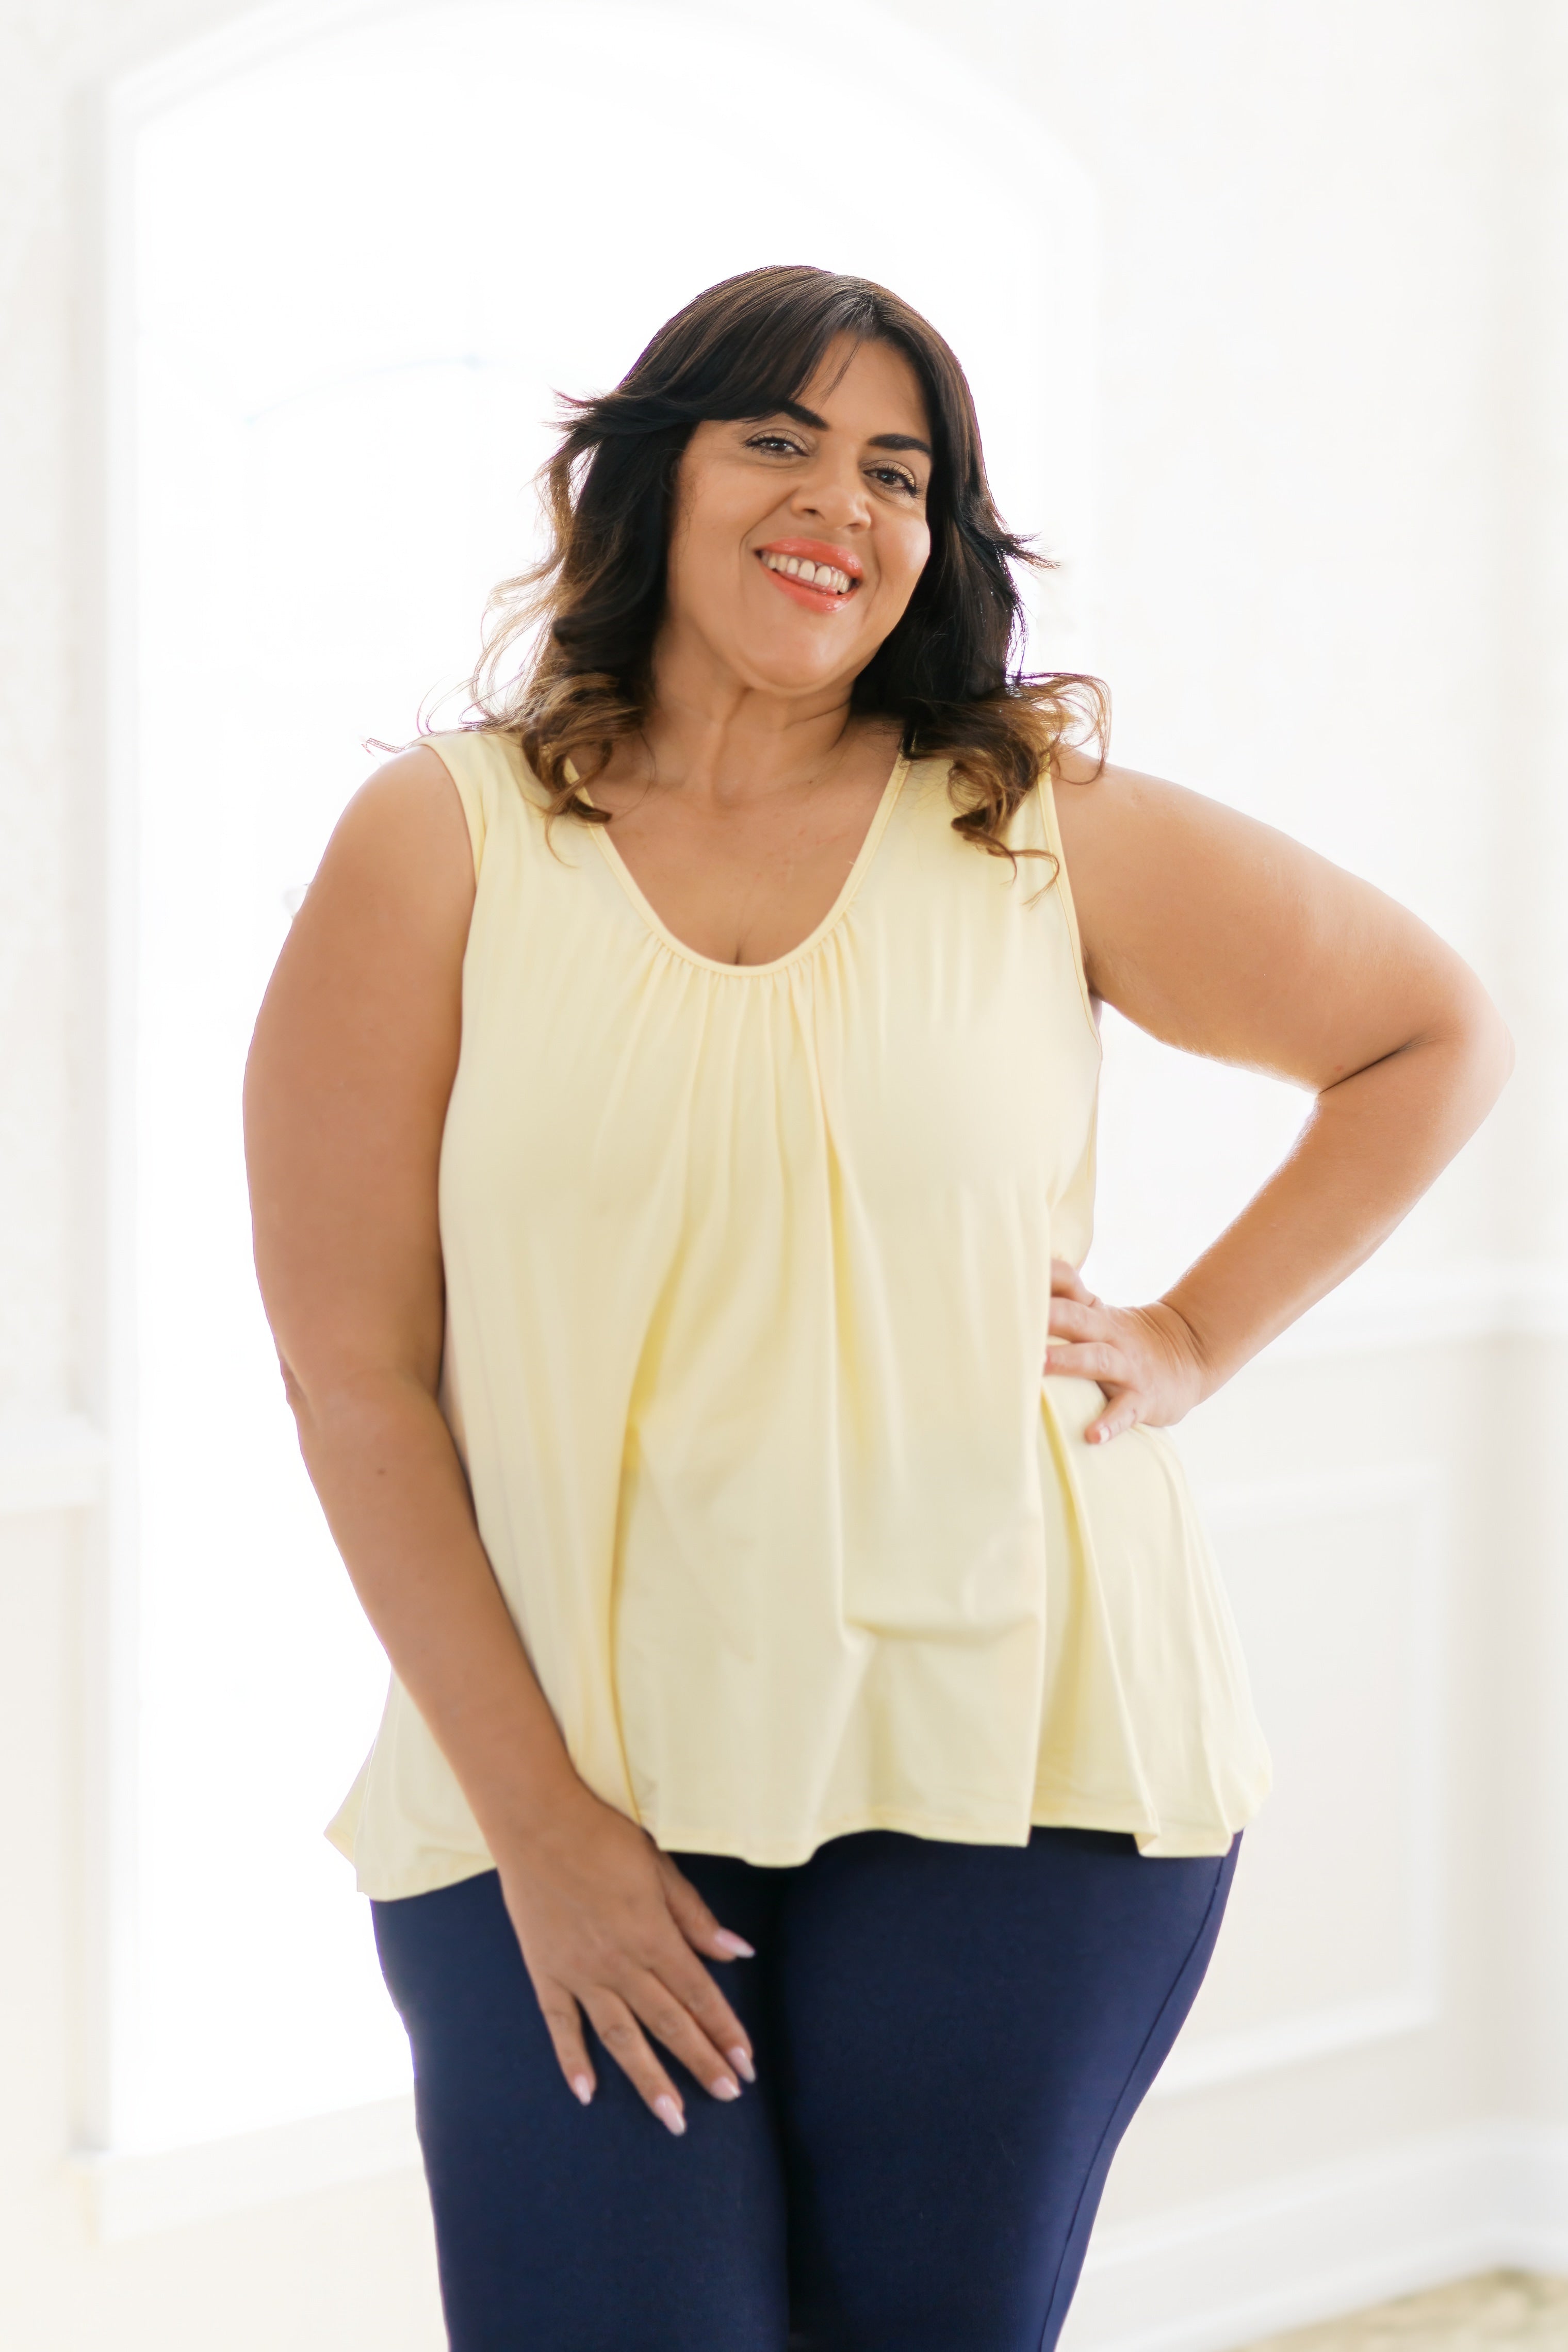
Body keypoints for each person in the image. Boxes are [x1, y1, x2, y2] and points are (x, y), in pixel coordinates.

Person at [243, 266, 1511, 2351]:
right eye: (779, 438)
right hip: (564, 1767)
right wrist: (544, 1832)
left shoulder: (1024, 824)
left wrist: (1189, 1337)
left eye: (898, 470)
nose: (840, 499)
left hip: (1020, 1771)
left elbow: (1422, 1034)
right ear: (646, 480)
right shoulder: (441, 840)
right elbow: (349, 1371)